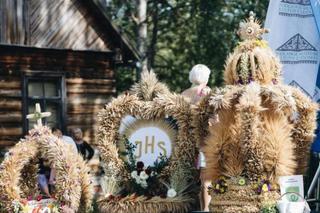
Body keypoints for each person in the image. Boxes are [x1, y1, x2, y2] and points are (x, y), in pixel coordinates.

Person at [181, 64, 212, 212]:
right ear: (206, 78)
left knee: (196, 180)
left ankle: (200, 207)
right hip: (203, 141)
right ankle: (205, 209)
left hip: (185, 141)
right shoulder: (206, 93)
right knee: (206, 179)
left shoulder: (183, 94)